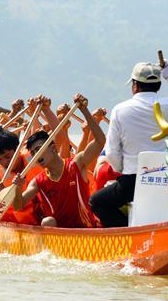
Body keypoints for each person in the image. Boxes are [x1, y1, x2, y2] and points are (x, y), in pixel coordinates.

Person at [89, 59, 168, 227]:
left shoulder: (120, 110)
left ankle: (126, 231)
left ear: (135, 85)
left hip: (131, 182)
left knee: (96, 202)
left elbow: (112, 152)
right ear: (158, 85)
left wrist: (121, 171)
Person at [12, 95, 105, 228]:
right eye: (33, 153)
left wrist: (84, 110)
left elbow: (100, 141)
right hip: (59, 235)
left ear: (54, 148)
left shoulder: (76, 163)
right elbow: (18, 206)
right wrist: (18, 187)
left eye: (39, 149)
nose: (36, 155)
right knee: (47, 222)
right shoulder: (38, 181)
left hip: (86, 229)